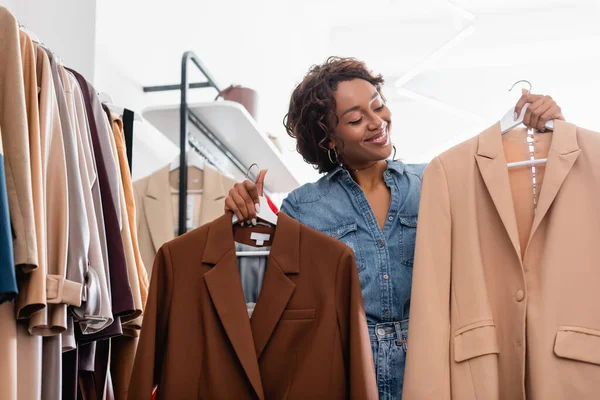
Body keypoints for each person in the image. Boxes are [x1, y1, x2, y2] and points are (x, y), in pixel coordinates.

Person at [223, 57, 564, 400]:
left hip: (433, 365)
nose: (376, 122)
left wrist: (554, 133)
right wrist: (243, 226)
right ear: (328, 139)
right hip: (348, 370)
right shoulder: (303, 207)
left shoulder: (434, 180)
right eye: (356, 119)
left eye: (378, 106)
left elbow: (517, 217)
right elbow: (262, 299)